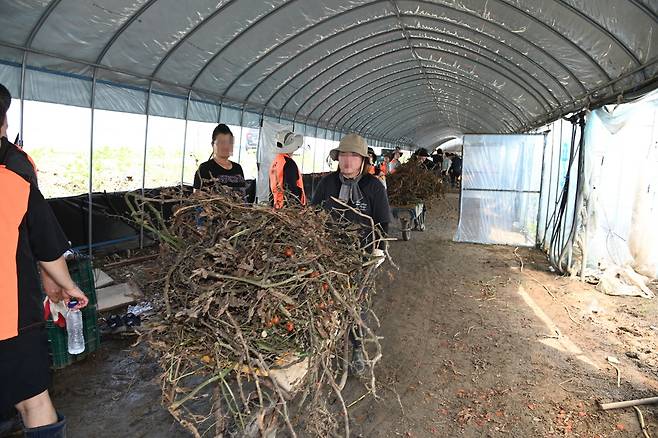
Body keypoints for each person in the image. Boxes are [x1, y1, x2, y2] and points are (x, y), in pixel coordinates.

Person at [1, 90, 89, 437]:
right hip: (10, 316)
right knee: (33, 401)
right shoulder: (14, 176)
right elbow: (48, 247)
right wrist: (68, 286)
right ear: (3, 122)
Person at [311, 133, 390, 375]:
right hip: (328, 255)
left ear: (363, 161)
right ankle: (320, 346)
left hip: (361, 257)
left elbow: (383, 222)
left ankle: (357, 348)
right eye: (343, 155)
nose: (347, 161)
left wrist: (379, 249)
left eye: (353, 156)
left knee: (356, 305)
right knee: (323, 301)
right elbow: (312, 215)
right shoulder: (327, 184)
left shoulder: (373, 187)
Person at [193, 124, 246, 198]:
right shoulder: (204, 168)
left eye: (229, 142)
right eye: (221, 142)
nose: (226, 146)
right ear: (212, 144)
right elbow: (196, 197)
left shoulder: (238, 168)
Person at [269, 130, 306, 209]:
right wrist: (296, 208)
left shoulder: (276, 161)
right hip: (287, 208)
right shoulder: (289, 163)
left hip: (276, 206)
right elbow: (291, 189)